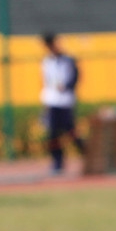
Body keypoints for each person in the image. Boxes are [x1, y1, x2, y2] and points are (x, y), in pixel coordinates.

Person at [40, 33, 83, 173]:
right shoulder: (46, 62)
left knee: (71, 132)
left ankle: (86, 153)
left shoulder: (68, 60)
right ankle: (57, 162)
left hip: (66, 101)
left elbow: (76, 77)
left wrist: (66, 86)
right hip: (52, 101)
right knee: (52, 134)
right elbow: (46, 82)